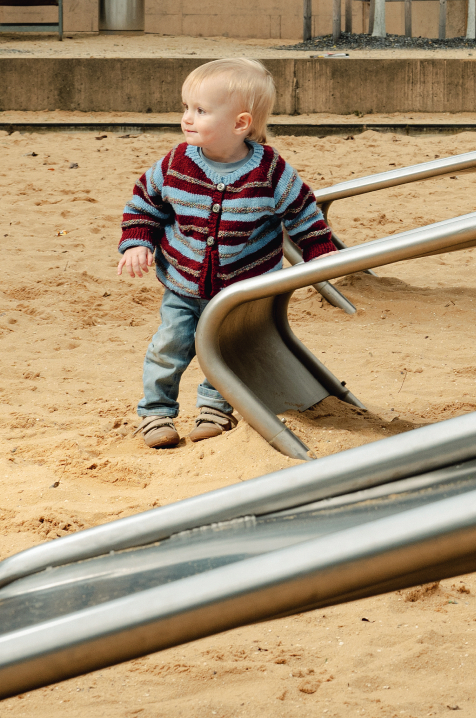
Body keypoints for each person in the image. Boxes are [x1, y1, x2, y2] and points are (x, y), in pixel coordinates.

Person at [116, 56, 342, 448]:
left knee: (227, 352)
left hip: (243, 289)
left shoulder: (269, 171)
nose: (187, 117)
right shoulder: (175, 164)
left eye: (200, 110)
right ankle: (156, 412)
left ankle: (215, 410)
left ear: (240, 124)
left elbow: (302, 209)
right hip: (184, 285)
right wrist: (138, 240)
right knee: (169, 346)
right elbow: (145, 204)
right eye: (185, 107)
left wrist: (319, 249)